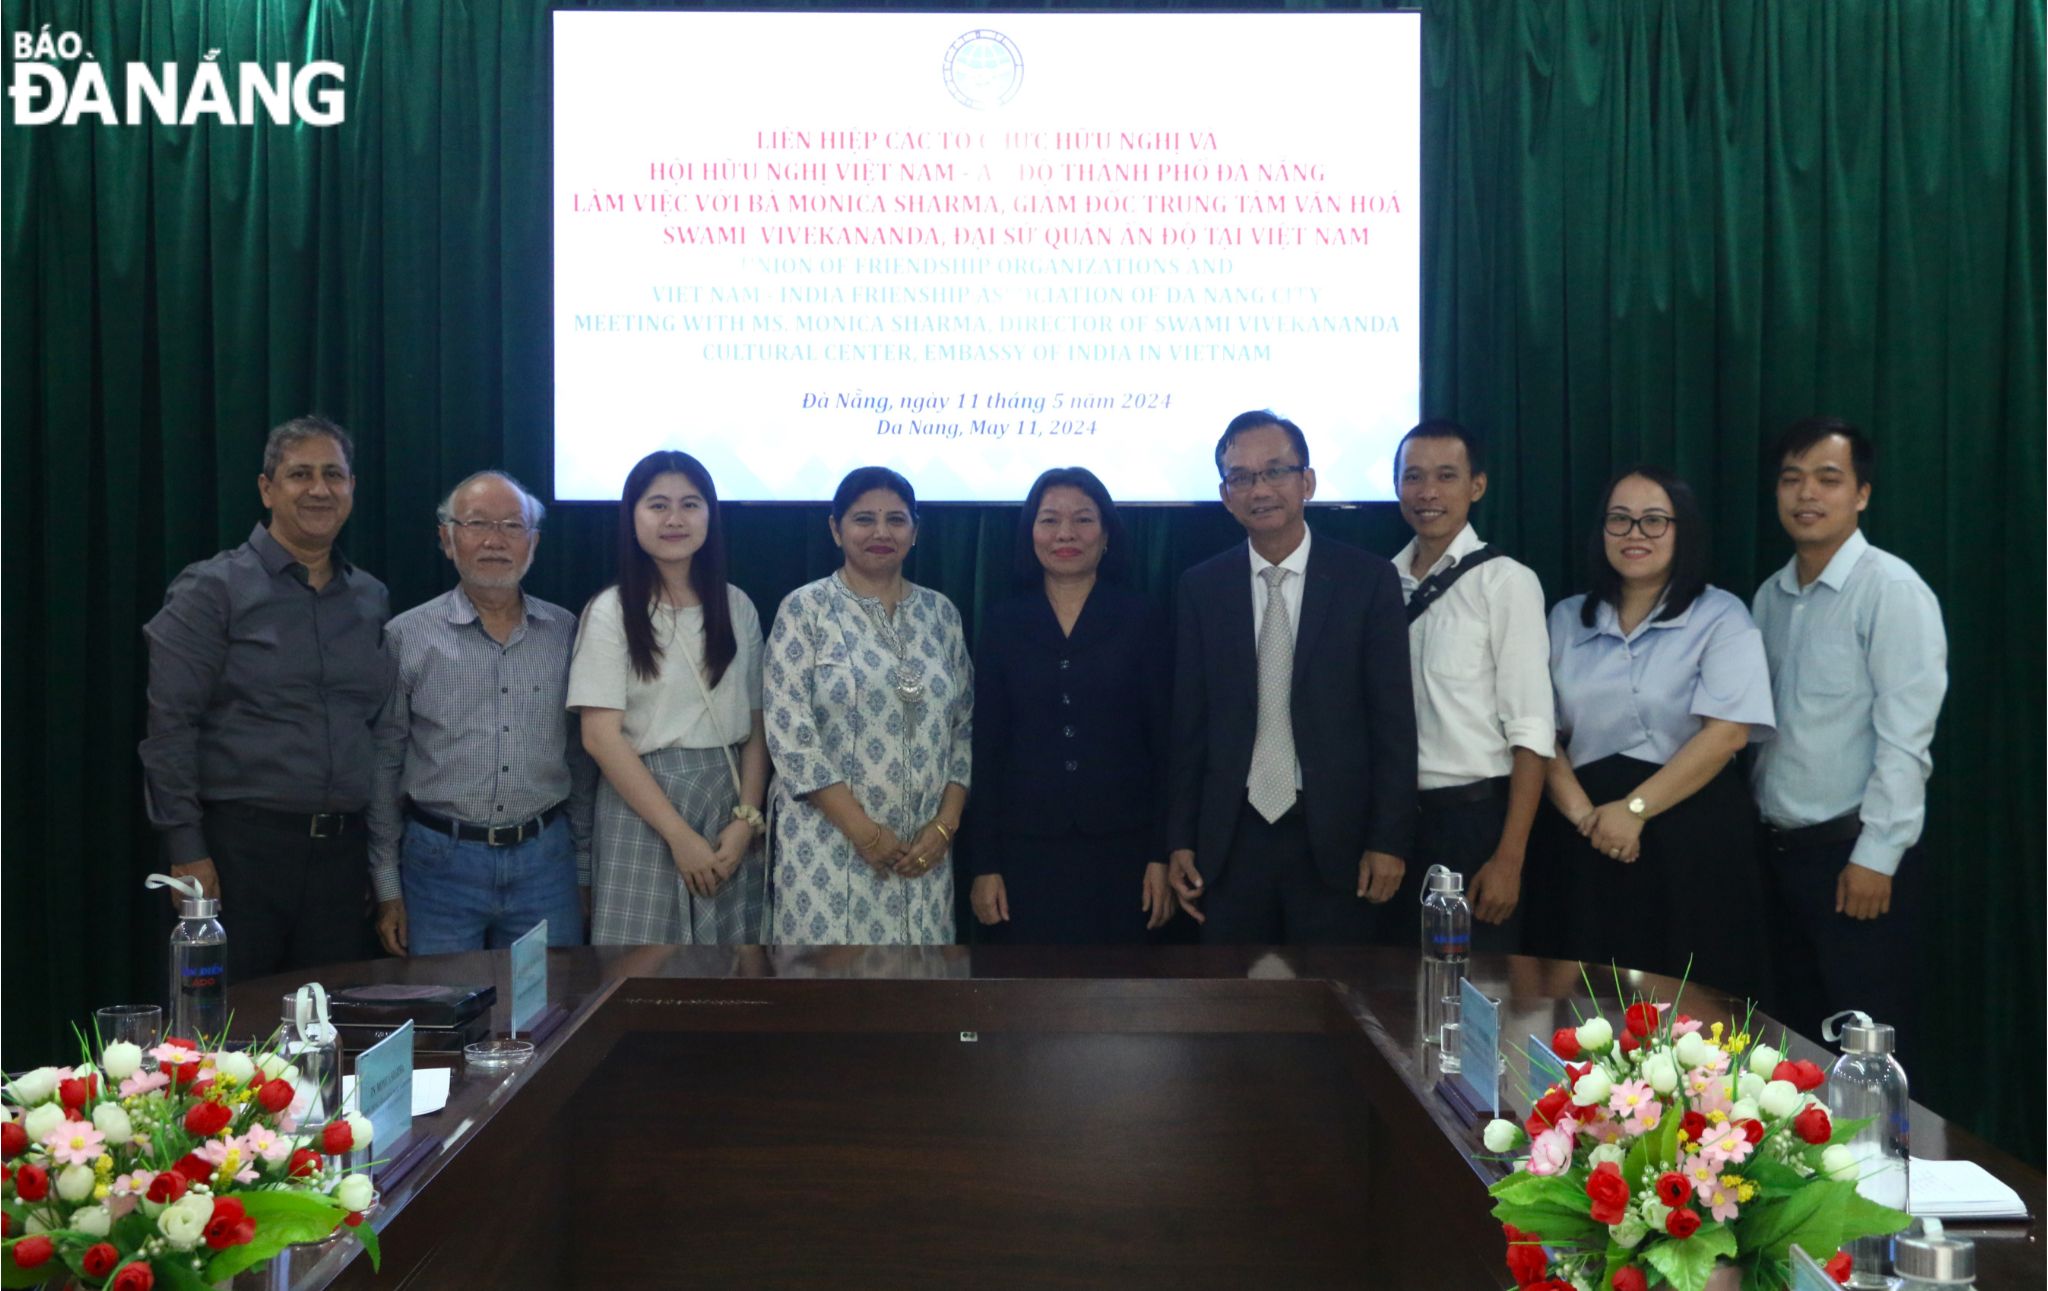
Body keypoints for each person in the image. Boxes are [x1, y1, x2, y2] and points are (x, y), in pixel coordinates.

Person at [139, 414, 391, 980]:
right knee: (224, 1039)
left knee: (330, 1033)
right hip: (238, 853)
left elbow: (372, 728)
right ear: (266, 488)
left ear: (352, 488)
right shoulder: (212, 589)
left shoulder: (371, 598)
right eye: (300, 474)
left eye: (334, 474)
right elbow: (169, 728)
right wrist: (187, 848)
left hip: (340, 859)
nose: (320, 489)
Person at [1166, 411, 1416, 944]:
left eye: (1276, 471)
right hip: (1230, 840)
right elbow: (1189, 725)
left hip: (1335, 838)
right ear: (1226, 494)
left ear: (1308, 481)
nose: (1260, 489)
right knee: (1235, 1010)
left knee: (1336, 1007)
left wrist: (1388, 839)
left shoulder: (1368, 581)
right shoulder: (1200, 588)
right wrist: (1180, 839)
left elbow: (1393, 721)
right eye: (1242, 477)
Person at [1751, 418, 1946, 1049]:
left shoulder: (1891, 590)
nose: (1807, 494)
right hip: (1777, 860)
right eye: (1792, 479)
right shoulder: (1769, 598)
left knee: (1868, 1052)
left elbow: (1906, 739)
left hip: (1854, 864)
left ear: (1861, 493)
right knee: (1794, 1051)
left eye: (1828, 479)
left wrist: (1877, 855)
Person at [1544, 466, 1775, 996]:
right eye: (1619, 521)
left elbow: (1727, 735)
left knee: (1694, 1013)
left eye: (1653, 522)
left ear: (1682, 531)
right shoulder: (1564, 619)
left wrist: (1635, 811)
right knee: (1588, 1006)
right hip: (1588, 835)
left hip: (1691, 835)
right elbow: (1540, 732)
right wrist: (1588, 820)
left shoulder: (1721, 616)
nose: (1634, 535)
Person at [368, 471, 596, 957]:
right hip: (438, 865)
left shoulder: (566, 633)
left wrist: (583, 871)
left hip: (545, 863)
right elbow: (385, 764)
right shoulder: (406, 637)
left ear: (533, 544)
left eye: (513, 527)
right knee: (444, 1016)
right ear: (447, 539)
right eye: (476, 524)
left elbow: (581, 760)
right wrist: (388, 887)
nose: (495, 541)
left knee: (549, 1015)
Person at [963, 467, 1174, 943]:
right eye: (1049, 520)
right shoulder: (1002, 622)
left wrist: (1160, 855)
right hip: (1025, 853)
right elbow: (987, 749)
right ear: (1029, 534)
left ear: (1106, 535)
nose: (1065, 534)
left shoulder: (1141, 618)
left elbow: (1166, 746)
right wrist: (986, 866)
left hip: (1125, 849)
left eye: (1082, 520)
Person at [764, 467, 972, 945]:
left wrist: (944, 827)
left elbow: (963, 727)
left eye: (896, 520)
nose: (881, 532)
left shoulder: (941, 614)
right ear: (835, 529)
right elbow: (791, 738)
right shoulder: (804, 610)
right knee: (829, 1005)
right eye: (864, 519)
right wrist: (866, 834)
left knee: (918, 1003)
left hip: (923, 854)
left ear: (915, 532)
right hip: (827, 850)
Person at [568, 451, 768, 944]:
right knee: (642, 973)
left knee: (731, 974)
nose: (675, 519)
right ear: (632, 516)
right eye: (657, 505)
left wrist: (746, 819)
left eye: (690, 504)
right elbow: (599, 738)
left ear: (710, 515)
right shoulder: (610, 611)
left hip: (728, 805)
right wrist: (679, 836)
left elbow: (759, 727)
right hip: (644, 808)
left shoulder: (737, 605)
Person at [1388, 421, 1555, 951]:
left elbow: (1531, 730)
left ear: (1476, 486)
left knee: (1475, 999)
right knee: (1390, 996)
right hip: (1393, 829)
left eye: (1445, 476)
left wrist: (1509, 859)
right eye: (1413, 477)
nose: (1427, 492)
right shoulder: (1378, 584)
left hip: (1474, 824)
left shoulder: (1506, 582)